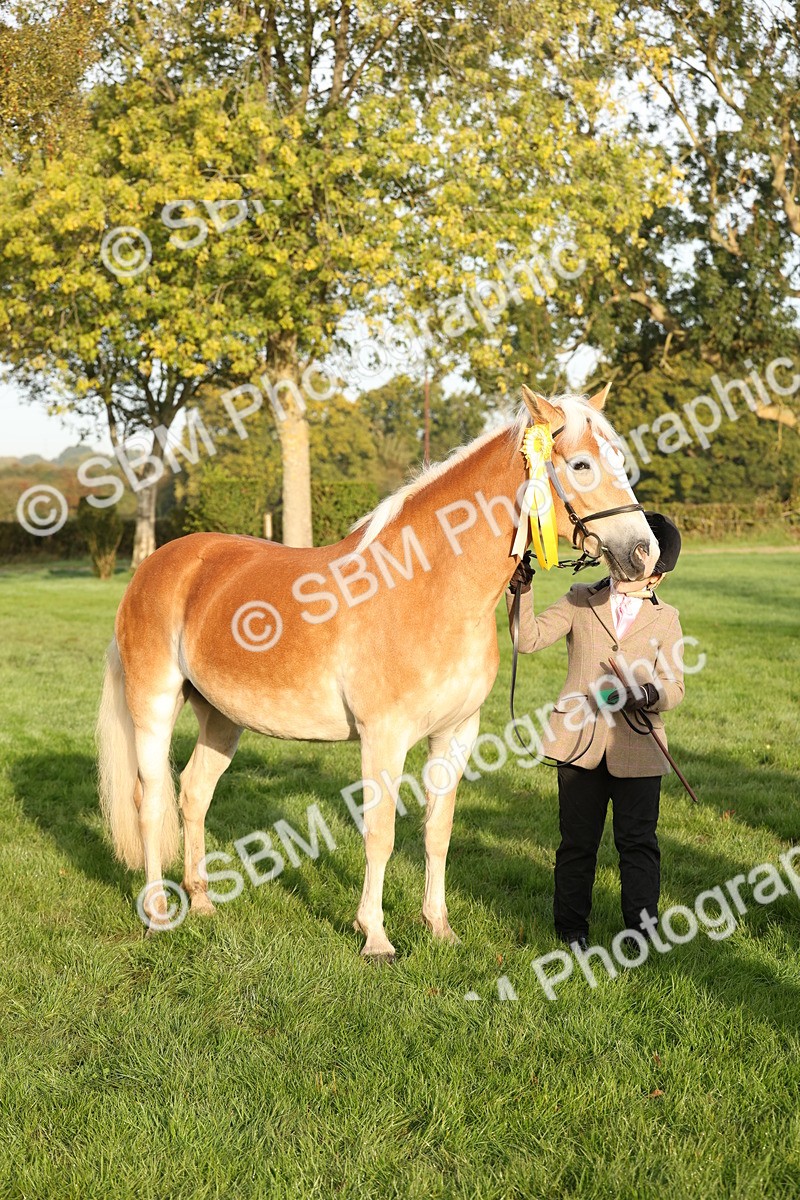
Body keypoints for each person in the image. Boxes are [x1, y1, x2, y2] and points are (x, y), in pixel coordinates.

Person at [507, 513, 685, 951]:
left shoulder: (667, 620)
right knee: (577, 845)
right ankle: (571, 931)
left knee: (639, 845)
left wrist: (645, 693)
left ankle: (641, 931)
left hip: (639, 748)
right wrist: (522, 590)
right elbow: (526, 639)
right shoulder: (580, 599)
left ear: (657, 577)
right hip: (578, 742)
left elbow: (675, 687)